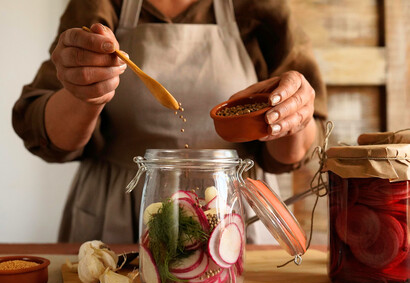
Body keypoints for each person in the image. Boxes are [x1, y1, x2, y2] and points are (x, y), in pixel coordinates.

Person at [12, 0, 327, 244]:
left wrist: (292, 117)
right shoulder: (101, 4)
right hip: (119, 215)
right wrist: (83, 94)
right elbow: (47, 135)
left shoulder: (259, 7)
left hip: (230, 212)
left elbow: (293, 154)